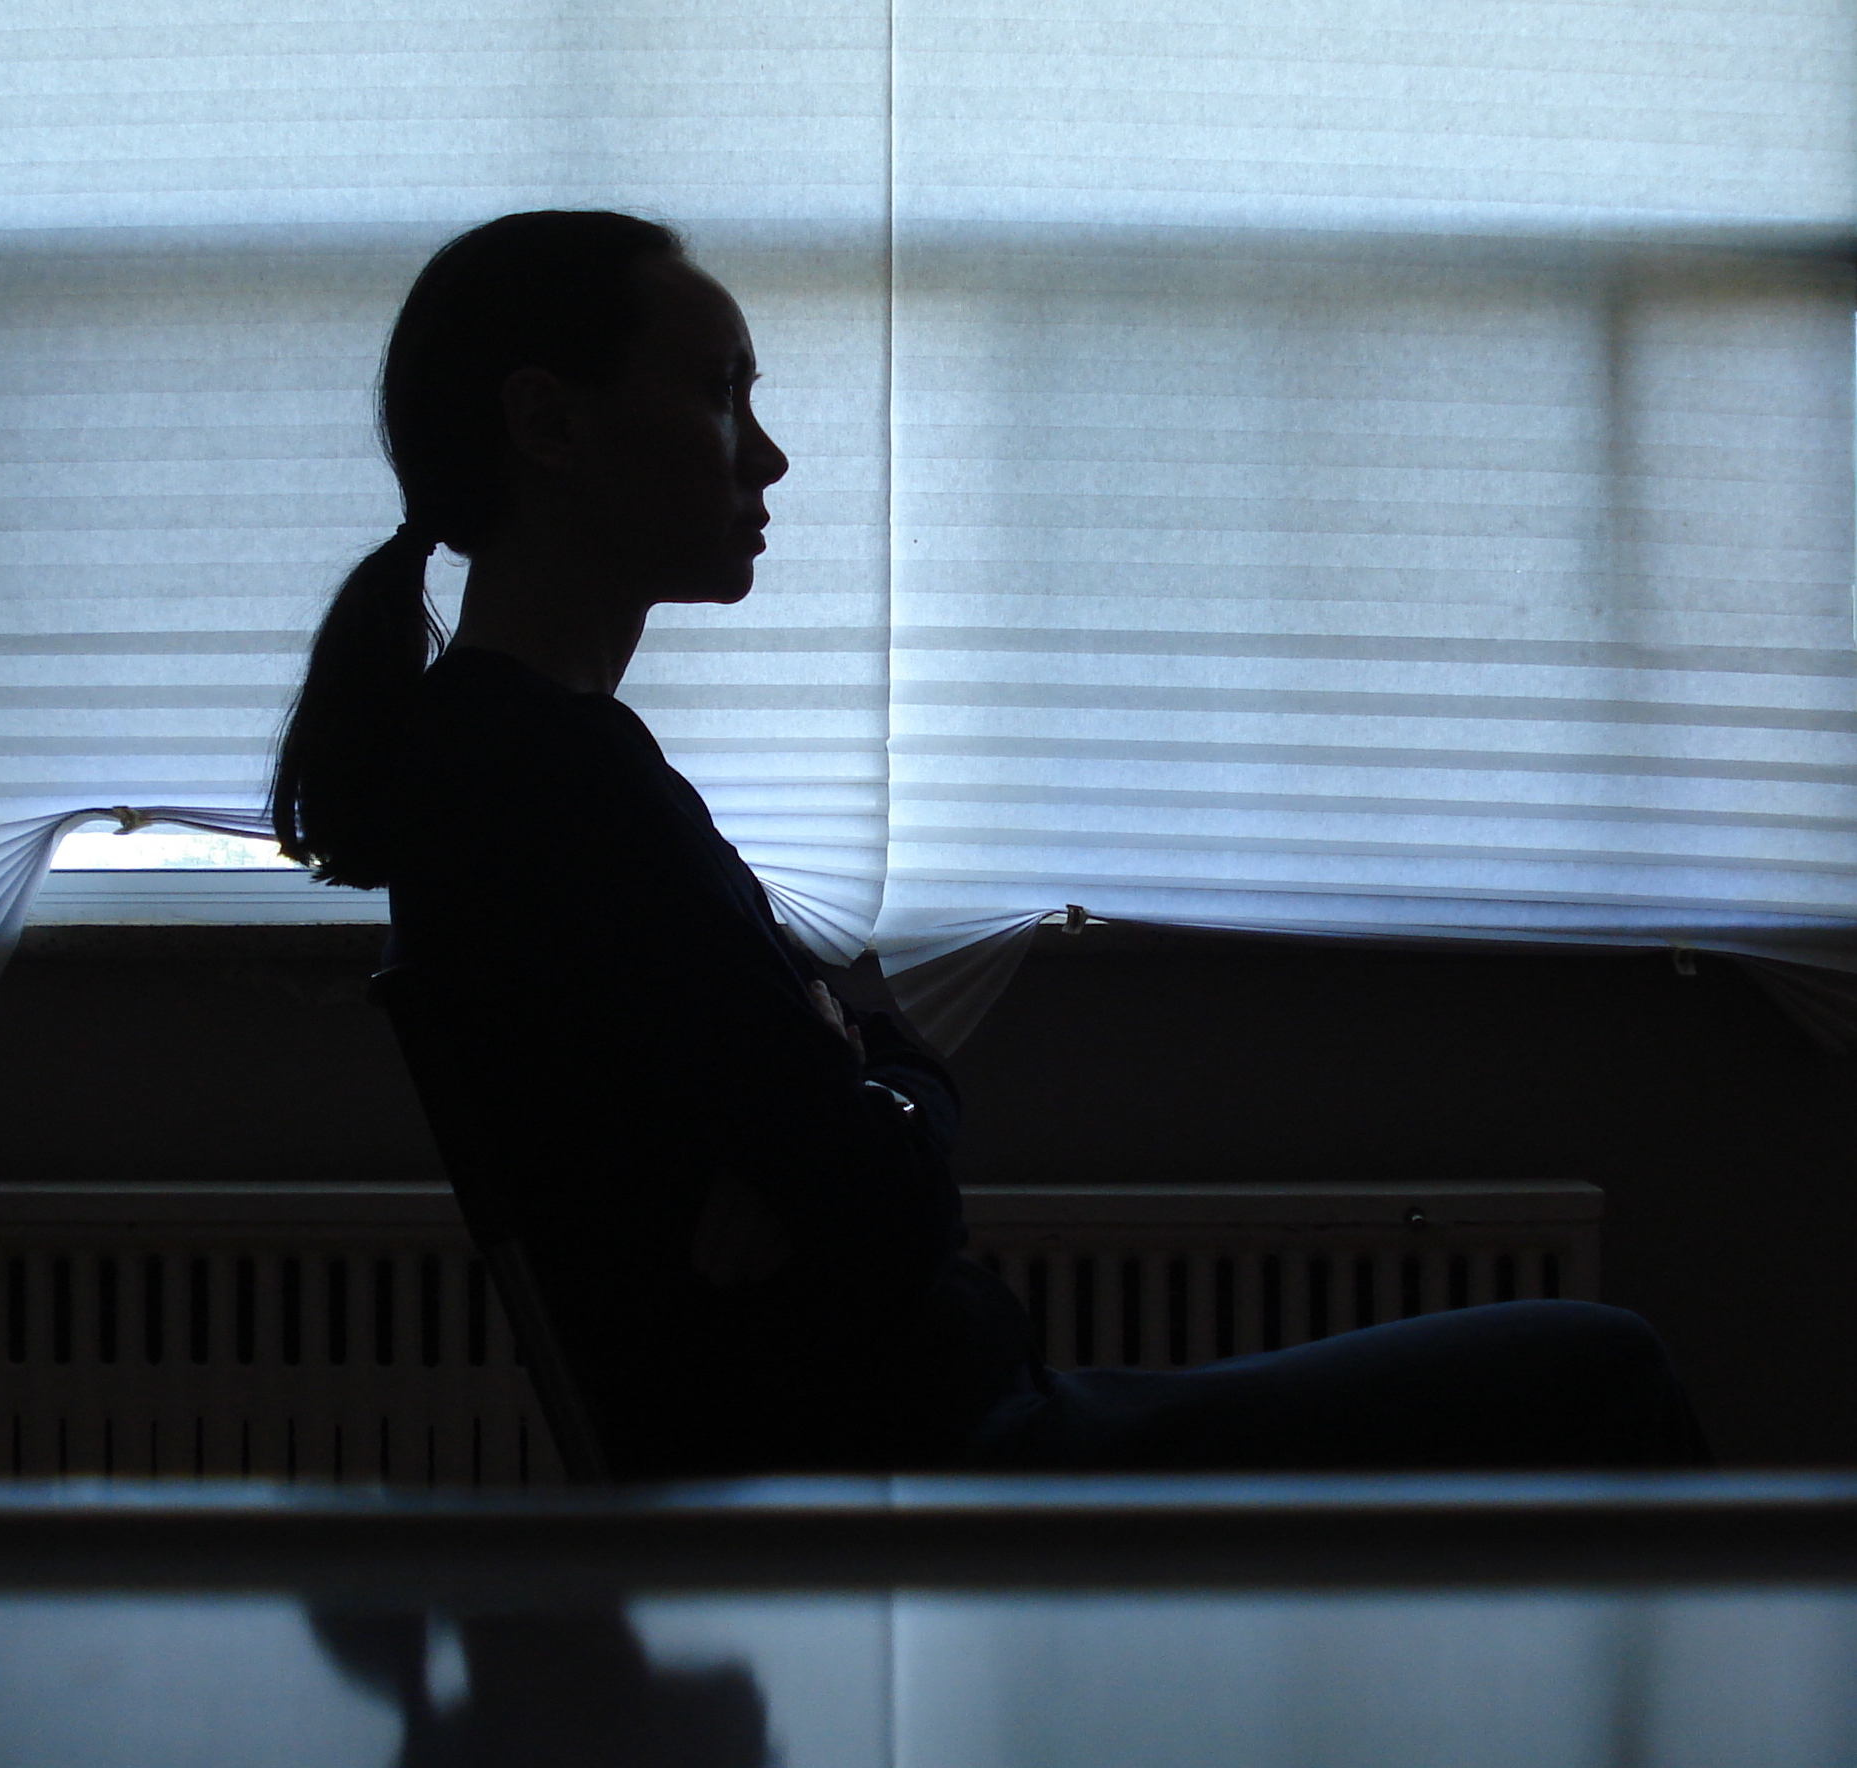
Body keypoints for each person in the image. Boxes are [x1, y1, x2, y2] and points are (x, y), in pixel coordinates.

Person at [270, 209, 1711, 1479]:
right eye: (718, 392)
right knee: (1601, 1371)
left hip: (946, 1426)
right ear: (549, 423)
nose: (767, 453)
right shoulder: (554, 786)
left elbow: (862, 1105)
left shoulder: (518, 763)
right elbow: (890, 1192)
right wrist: (865, 1094)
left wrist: (855, 1097)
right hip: (939, 1466)